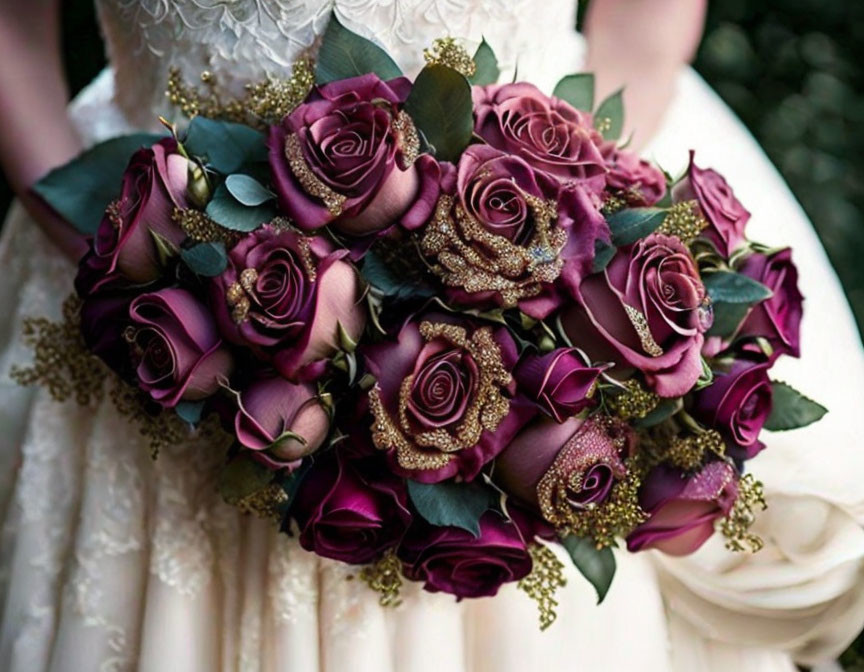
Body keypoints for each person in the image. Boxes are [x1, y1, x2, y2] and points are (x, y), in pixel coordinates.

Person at [0, 1, 862, 671]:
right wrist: (145, 277)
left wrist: (565, 273)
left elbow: (645, 27)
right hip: (156, 322)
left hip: (534, 324)